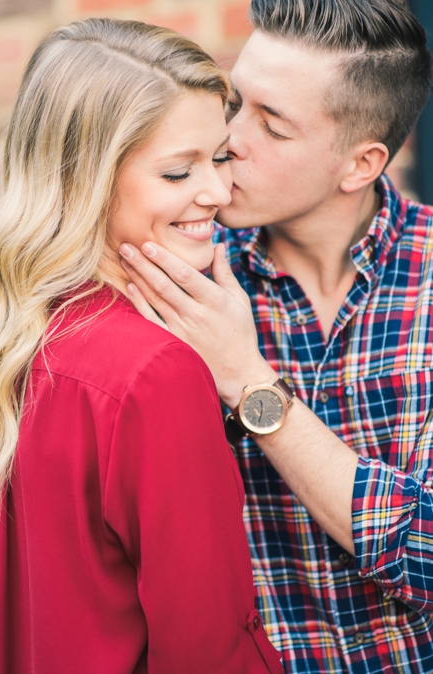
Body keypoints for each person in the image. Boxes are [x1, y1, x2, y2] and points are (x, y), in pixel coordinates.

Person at [119, 1, 433, 671]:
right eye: (236, 103)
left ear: (360, 164)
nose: (229, 138)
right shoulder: (172, 271)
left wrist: (248, 383)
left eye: (273, 125)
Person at [0, 18, 283, 673]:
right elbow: (209, 649)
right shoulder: (156, 373)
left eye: (220, 157)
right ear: (83, 179)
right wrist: (247, 380)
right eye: (178, 172)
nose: (218, 193)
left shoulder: (20, 332)